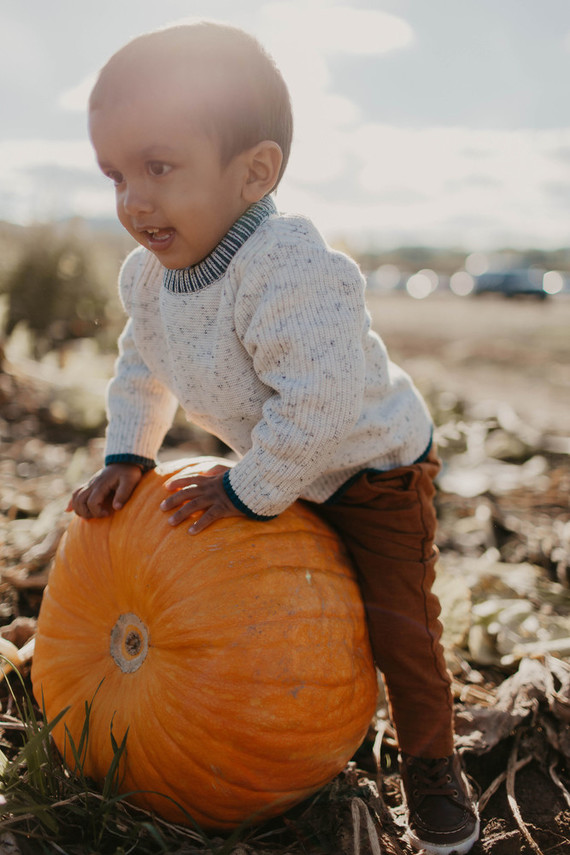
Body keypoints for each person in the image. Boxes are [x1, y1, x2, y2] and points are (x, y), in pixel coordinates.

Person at [68, 20, 479, 855]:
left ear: (254, 172)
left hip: (368, 468)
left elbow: (320, 408)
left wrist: (246, 489)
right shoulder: (148, 277)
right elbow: (141, 367)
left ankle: (434, 768)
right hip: (276, 458)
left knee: (401, 625)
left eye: (158, 168)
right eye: (116, 176)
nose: (134, 202)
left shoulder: (291, 267)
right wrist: (128, 455)